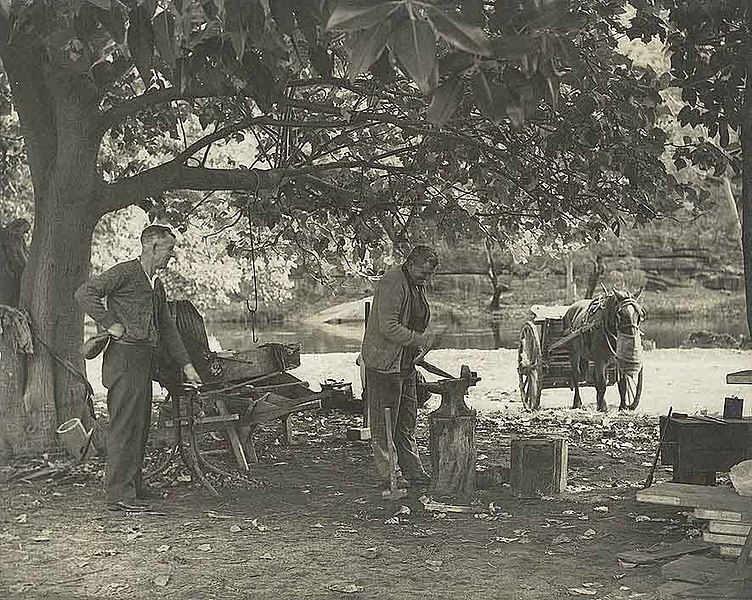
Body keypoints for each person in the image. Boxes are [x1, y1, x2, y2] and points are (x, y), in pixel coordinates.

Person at [75, 225, 202, 512]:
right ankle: (118, 495)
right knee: (125, 427)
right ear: (152, 246)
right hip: (124, 361)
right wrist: (110, 324)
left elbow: (167, 328)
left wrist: (188, 365)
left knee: (140, 426)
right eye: (169, 248)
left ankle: (134, 487)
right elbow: (85, 293)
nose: (172, 254)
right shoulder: (125, 272)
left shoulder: (155, 283)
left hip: (144, 363)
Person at [361, 245, 439, 492]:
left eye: (429, 275)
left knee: (406, 421)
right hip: (385, 362)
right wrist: (417, 339)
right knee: (385, 424)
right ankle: (389, 474)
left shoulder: (416, 283)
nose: (425, 279)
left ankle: (412, 470)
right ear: (411, 263)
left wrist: (416, 347)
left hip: (406, 363)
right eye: (423, 273)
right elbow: (388, 326)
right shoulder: (392, 282)